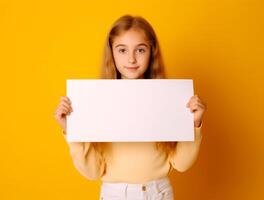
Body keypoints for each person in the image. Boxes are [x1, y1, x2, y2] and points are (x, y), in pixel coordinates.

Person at [54, 15, 207, 200]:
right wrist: (72, 129)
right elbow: (93, 172)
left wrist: (194, 123)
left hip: (158, 192)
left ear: (152, 52)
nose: (132, 59)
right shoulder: (96, 100)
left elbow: (181, 164)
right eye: (122, 50)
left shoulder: (169, 98)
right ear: (112, 52)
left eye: (140, 50)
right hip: (114, 194)